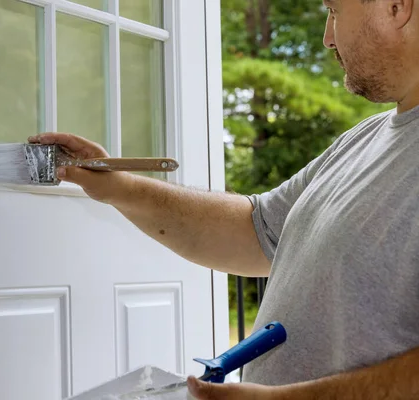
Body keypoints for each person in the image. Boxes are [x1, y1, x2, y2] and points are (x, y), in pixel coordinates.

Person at [30, 0, 419, 398]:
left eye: (334, 11)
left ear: (396, 6)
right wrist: (118, 187)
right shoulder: (364, 139)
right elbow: (256, 231)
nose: (327, 38)